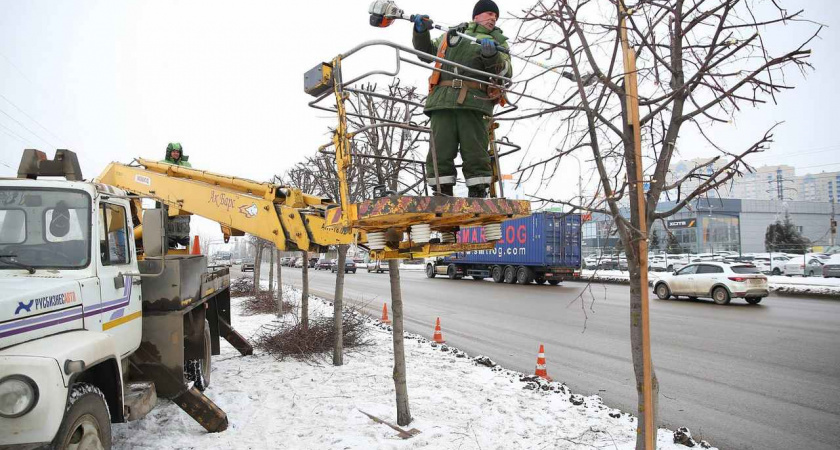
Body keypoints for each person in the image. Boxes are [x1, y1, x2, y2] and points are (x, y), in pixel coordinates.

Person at [412, 0, 512, 198]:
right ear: (476, 16)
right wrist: (421, 32)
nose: (493, 18)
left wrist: (492, 56)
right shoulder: (453, 34)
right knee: (439, 150)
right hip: (442, 101)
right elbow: (426, 54)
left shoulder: (498, 42)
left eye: (495, 16)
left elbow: (506, 72)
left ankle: (477, 189)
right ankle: (442, 191)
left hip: (474, 102)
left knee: (475, 149)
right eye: (489, 14)